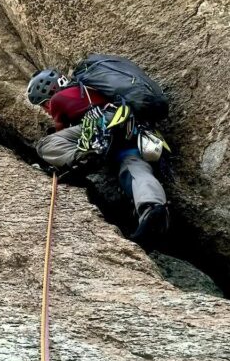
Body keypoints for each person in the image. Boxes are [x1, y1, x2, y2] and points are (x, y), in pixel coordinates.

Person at [27, 68, 170, 243]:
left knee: (45, 144)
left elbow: (60, 131)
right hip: (130, 132)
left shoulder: (58, 99)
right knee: (135, 169)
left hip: (102, 126)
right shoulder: (94, 89)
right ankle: (152, 208)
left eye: (43, 105)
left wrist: (67, 160)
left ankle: (83, 157)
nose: (46, 111)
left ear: (48, 96)